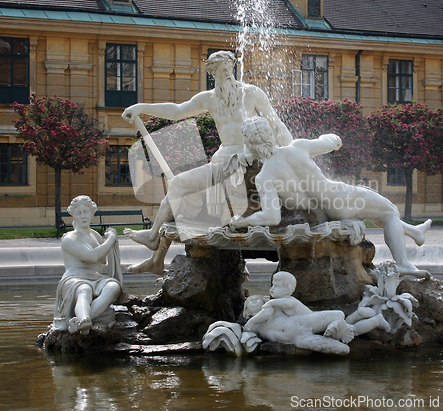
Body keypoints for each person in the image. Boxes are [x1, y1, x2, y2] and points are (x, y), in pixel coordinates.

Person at [121, 51, 292, 274]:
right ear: (212, 73)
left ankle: (154, 241)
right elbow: (176, 111)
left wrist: (292, 152)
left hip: (246, 160)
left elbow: (276, 124)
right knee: (178, 186)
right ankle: (155, 243)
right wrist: (142, 107)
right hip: (222, 161)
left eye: (229, 69)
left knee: (180, 188)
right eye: (221, 71)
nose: (227, 74)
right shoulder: (209, 98)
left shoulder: (251, 93)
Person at [230, 117, 432, 278]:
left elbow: (271, 217)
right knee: (389, 212)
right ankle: (404, 263)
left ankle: (415, 232)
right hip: (340, 200)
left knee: (378, 212)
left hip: (321, 219)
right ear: (271, 135)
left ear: (249, 145)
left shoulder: (264, 177)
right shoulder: (297, 147)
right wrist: (333, 137)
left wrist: (242, 221)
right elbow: (330, 142)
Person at [242, 272, 389, 355]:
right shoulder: (257, 324)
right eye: (250, 300)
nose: (272, 289)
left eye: (257, 299)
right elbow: (247, 333)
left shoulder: (272, 306)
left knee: (339, 315)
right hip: (298, 338)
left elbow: (276, 309)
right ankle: (369, 319)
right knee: (343, 348)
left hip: (304, 323)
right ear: (246, 309)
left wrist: (269, 304)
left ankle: (368, 319)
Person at [53, 196, 126, 335]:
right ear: (73, 215)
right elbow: (92, 257)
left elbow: (103, 260)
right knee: (84, 289)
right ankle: (84, 318)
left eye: (86, 212)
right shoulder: (69, 238)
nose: (83, 216)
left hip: (96, 278)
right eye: (79, 213)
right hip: (74, 278)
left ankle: (82, 322)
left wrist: (105, 244)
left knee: (113, 287)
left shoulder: (95, 235)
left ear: (92, 213)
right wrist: (110, 239)